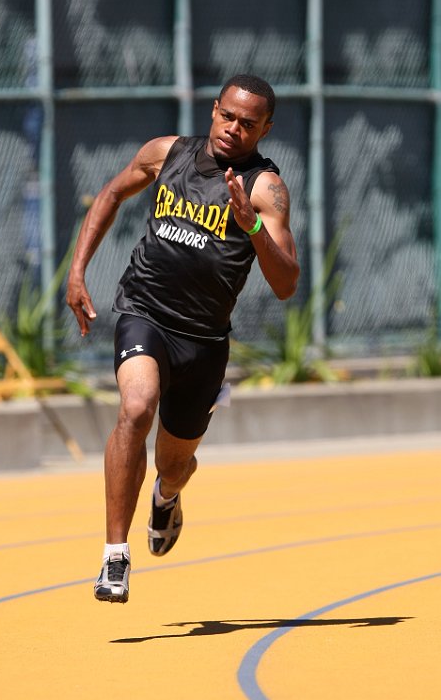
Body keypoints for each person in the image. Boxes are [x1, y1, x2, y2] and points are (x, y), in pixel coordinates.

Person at [66, 74, 300, 604]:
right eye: (227, 116)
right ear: (214, 109)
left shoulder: (266, 189)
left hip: (204, 341)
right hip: (144, 312)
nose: (233, 129)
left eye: (248, 123)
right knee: (136, 406)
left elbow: (287, 284)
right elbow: (111, 193)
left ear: (265, 128)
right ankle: (114, 557)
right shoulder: (165, 153)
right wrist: (77, 272)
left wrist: (251, 227)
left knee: (174, 463)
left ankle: (167, 496)